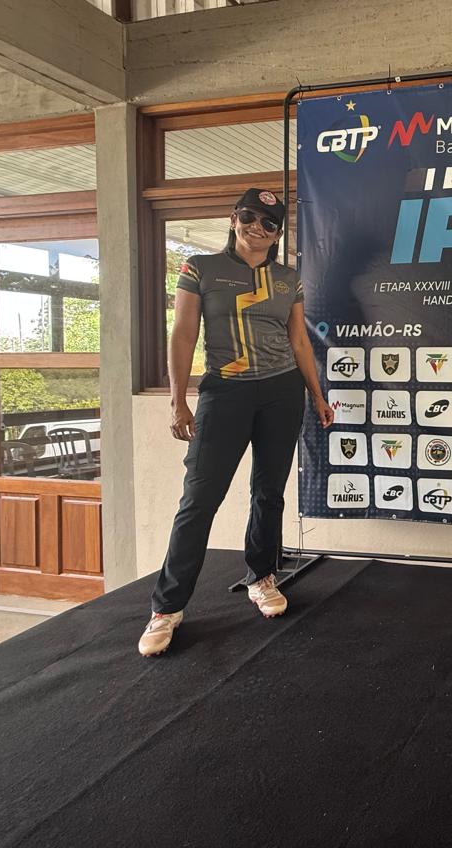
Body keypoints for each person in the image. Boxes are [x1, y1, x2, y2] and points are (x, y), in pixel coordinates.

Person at [138, 188, 333, 657]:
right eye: (249, 217)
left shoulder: (288, 278)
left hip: (282, 393)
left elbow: (299, 341)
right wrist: (177, 400)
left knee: (269, 492)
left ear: (278, 234)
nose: (257, 228)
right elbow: (183, 333)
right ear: (233, 219)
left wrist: (316, 395)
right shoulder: (199, 268)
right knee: (199, 500)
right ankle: (167, 608)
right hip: (224, 393)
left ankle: (261, 576)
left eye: (269, 223)